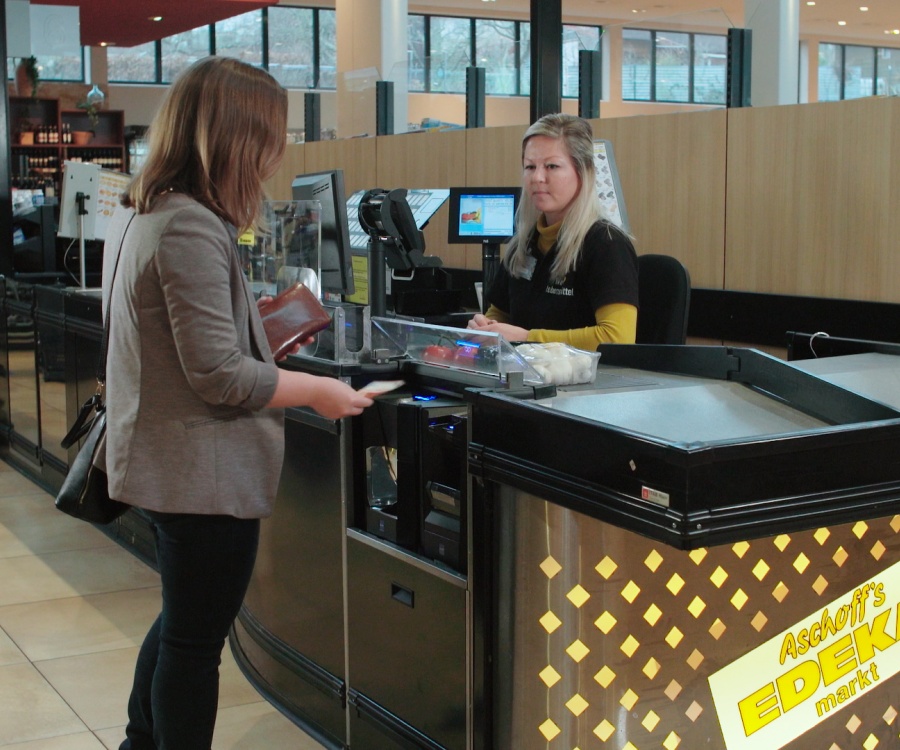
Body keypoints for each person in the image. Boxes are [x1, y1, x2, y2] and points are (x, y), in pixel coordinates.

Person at [101, 56, 373, 750]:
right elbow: (219, 376)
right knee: (194, 644)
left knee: (180, 624)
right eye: (270, 136)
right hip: (202, 478)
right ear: (237, 137)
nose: (276, 153)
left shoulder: (153, 212)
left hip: (166, 468)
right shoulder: (191, 226)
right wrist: (318, 391)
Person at [467, 113, 639, 350]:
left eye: (552, 166)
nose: (537, 177)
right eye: (530, 166)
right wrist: (485, 327)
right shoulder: (523, 244)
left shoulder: (607, 243)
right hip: (525, 377)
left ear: (583, 171)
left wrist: (528, 337)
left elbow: (617, 338)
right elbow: (500, 315)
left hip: (587, 382)